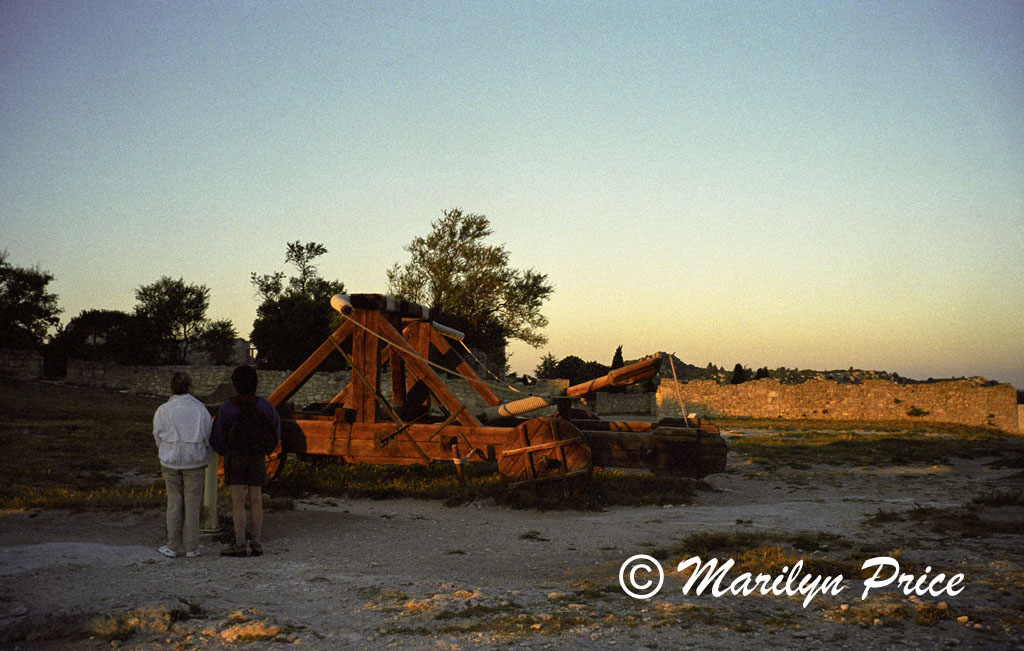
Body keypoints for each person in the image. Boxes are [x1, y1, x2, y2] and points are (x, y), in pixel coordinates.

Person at [210, 365, 281, 557]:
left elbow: (217, 437)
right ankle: (256, 543)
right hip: (257, 456)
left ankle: (240, 543)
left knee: (238, 502)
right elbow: (275, 434)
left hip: (236, 457)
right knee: (256, 501)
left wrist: (225, 451)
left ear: (235, 384)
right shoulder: (265, 406)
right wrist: (266, 450)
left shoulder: (227, 407)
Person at [153, 371, 213, 558]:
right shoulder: (200, 409)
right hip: (194, 460)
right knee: (192, 504)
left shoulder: (163, 409)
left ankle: (172, 546)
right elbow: (207, 435)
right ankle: (191, 547)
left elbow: (157, 435)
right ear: (189, 387)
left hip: (171, 459)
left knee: (174, 502)